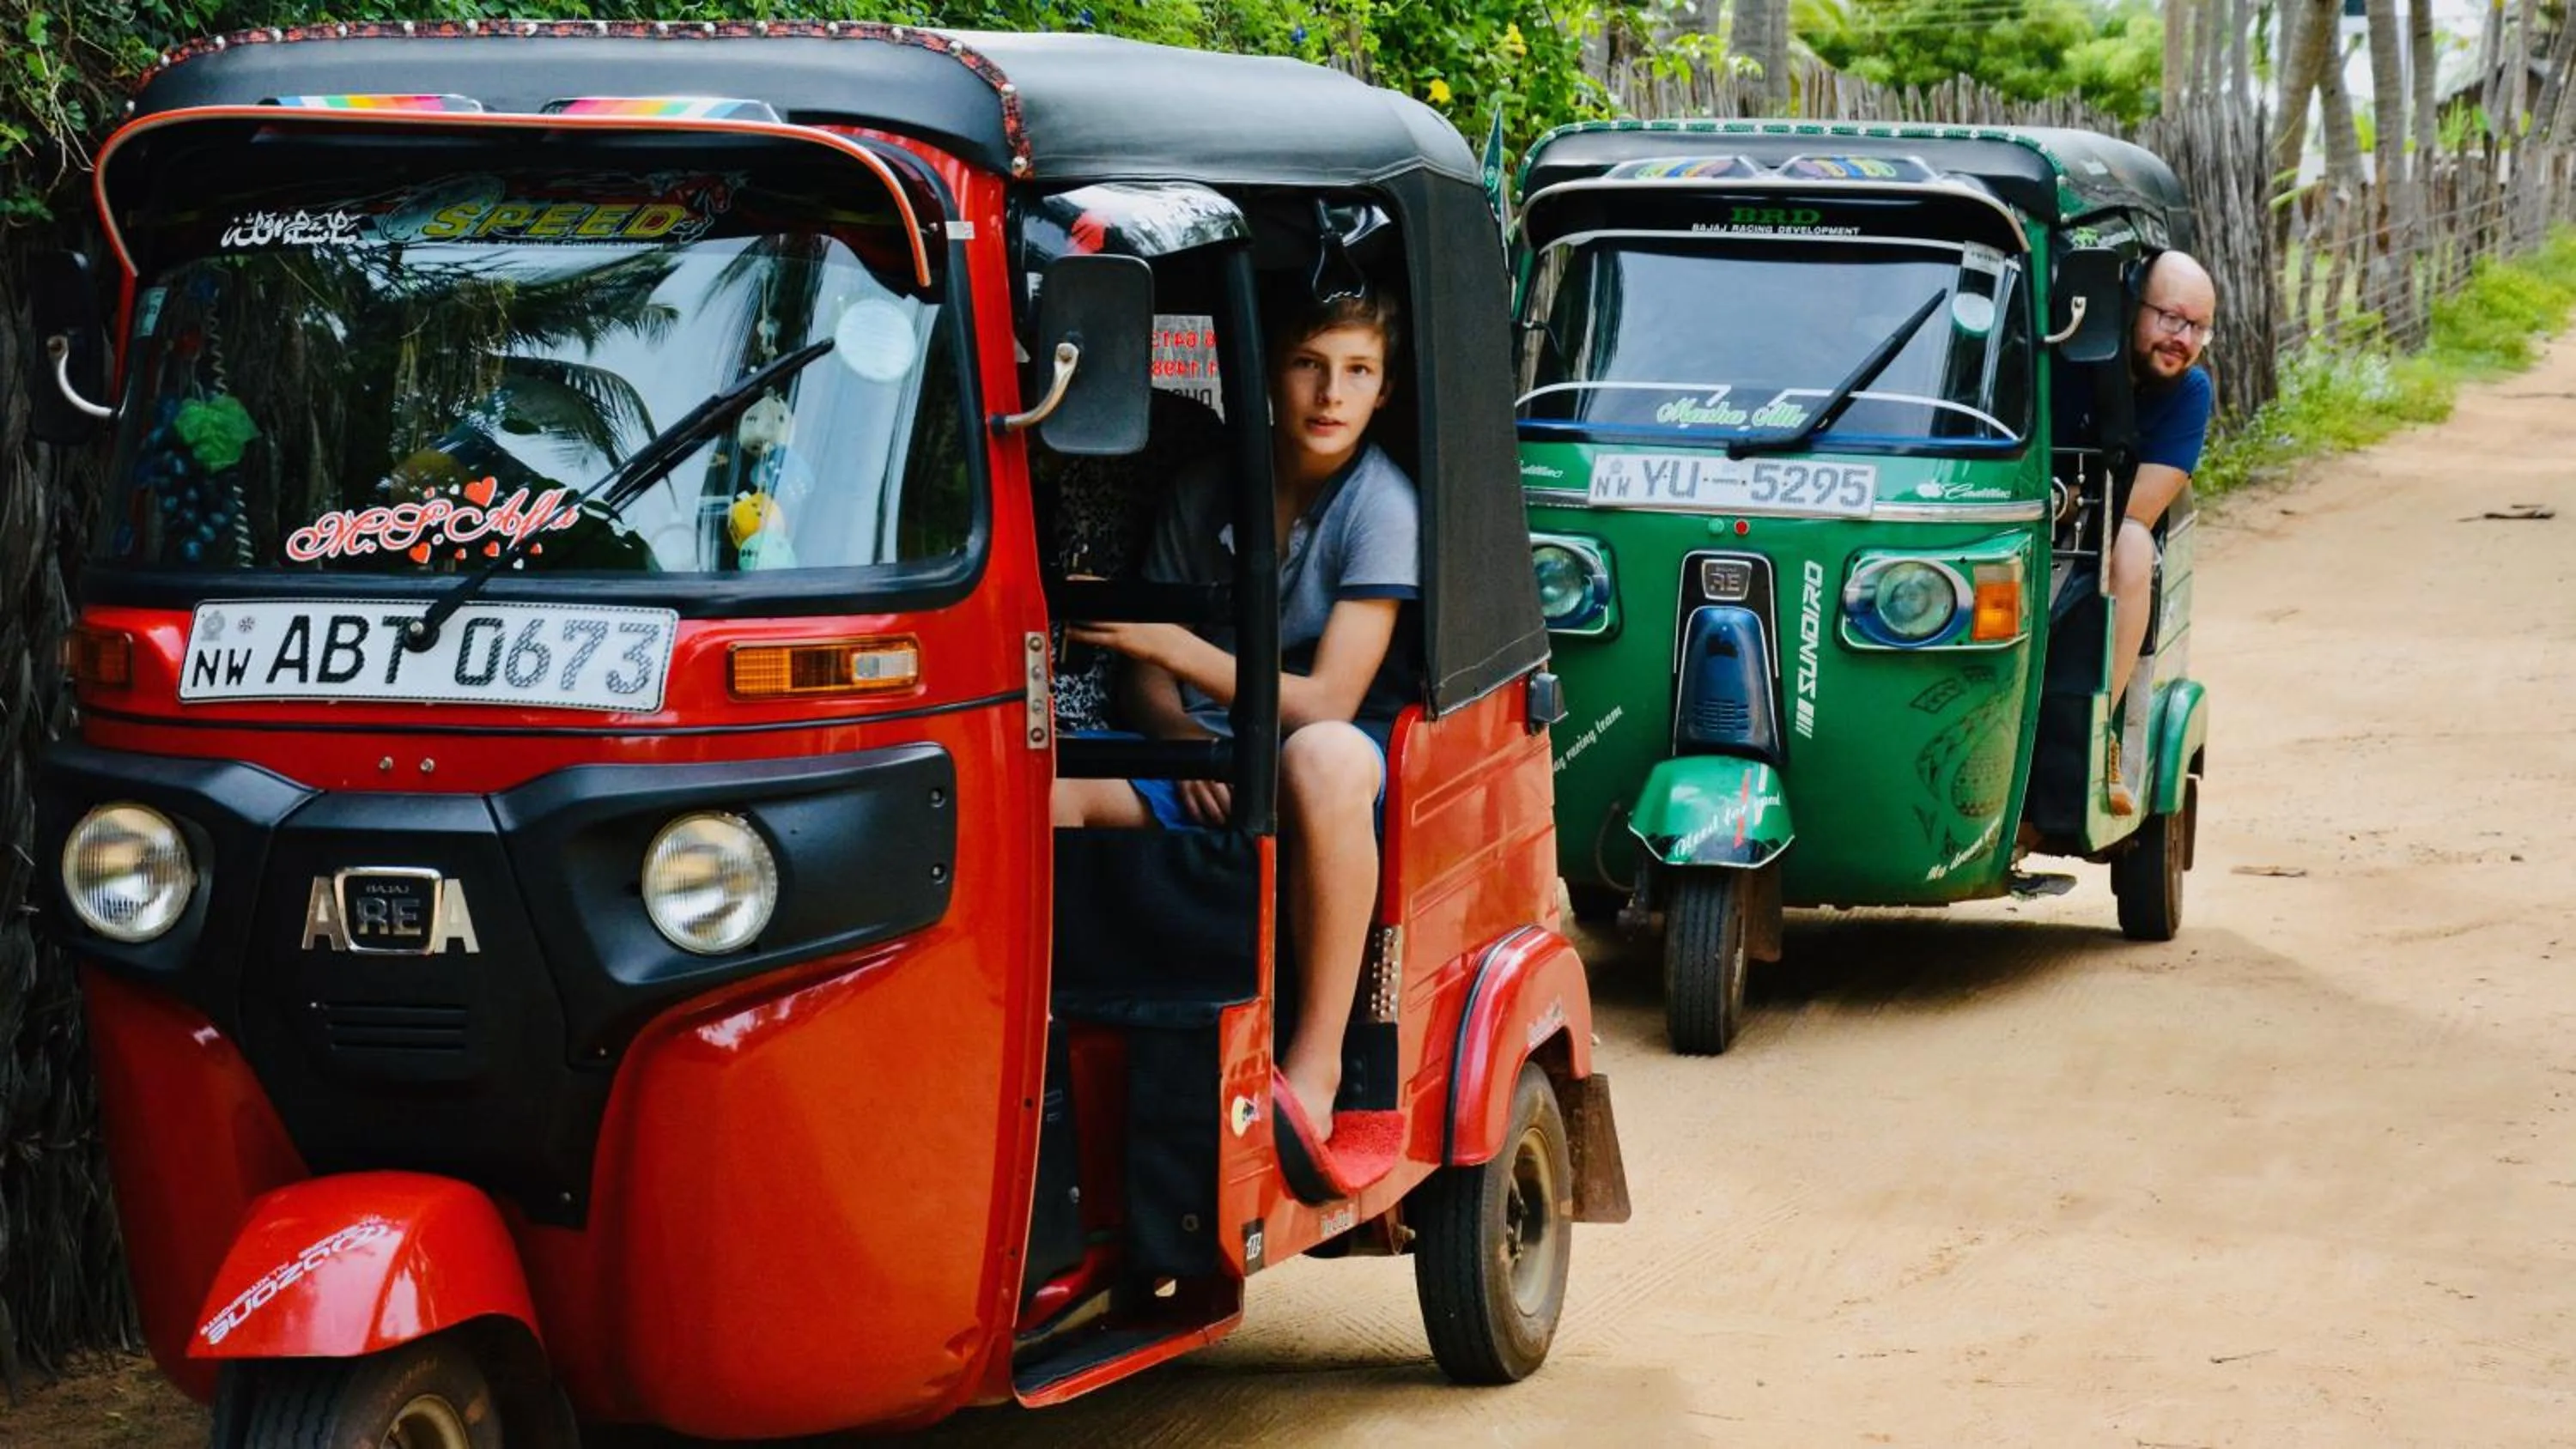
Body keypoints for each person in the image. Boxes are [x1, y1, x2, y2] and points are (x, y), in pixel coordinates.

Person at [1053, 289, 1418, 1147]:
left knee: (1322, 755)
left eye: (1356, 371)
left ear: (1383, 391)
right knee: (1054, 791)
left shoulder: (1381, 505)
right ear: (1269, 373)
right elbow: (1146, 686)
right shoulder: (1208, 485)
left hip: (1327, 752)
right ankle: (1060, 1046)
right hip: (1204, 750)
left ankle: (1317, 1063)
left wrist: (1177, 651)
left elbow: (1330, 698)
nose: (1330, 394)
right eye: (1307, 365)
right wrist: (1189, 742)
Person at [2071, 250, 2216, 815]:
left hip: (2099, 533)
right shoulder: (2069, 356)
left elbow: (2136, 506)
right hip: (2027, 518)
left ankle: (2098, 730)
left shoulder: (2189, 393)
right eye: (2170, 318)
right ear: (2132, 307)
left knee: (2130, 540)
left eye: (2197, 327)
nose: (2182, 338)